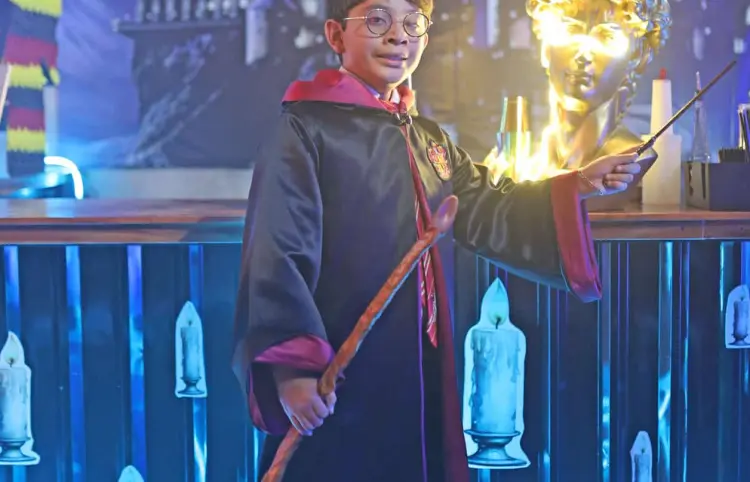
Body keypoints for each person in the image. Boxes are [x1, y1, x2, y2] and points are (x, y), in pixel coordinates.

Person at [232, 0, 642, 481]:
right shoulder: (306, 130)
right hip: (339, 369)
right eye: (377, 20)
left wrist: (580, 183)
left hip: (418, 366)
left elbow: (488, 207)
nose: (398, 37)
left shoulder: (428, 140)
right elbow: (278, 250)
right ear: (336, 35)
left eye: (413, 23)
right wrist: (292, 371)